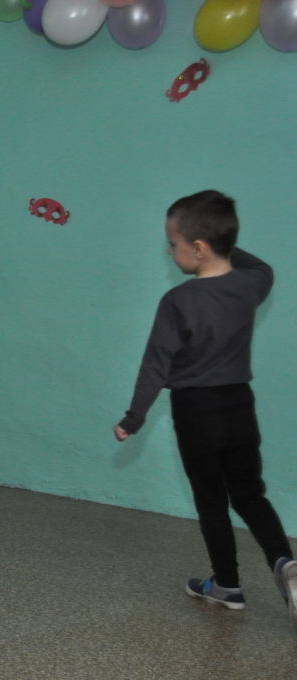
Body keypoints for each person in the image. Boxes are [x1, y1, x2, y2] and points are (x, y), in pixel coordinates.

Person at [113, 190, 297, 631]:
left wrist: (133, 418)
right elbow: (263, 267)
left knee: (211, 500)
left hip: (196, 410)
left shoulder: (178, 301)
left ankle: (227, 585)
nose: (169, 252)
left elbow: (155, 366)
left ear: (198, 248)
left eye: (173, 243)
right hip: (239, 405)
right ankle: (285, 562)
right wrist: (225, 243)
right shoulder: (249, 285)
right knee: (250, 494)